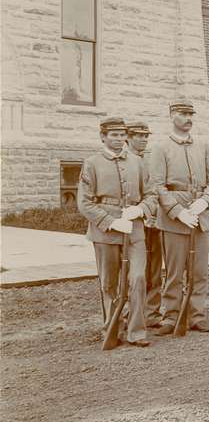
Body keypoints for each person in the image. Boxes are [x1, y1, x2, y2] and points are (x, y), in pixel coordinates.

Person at [78, 117, 157, 347]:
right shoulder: (92, 163)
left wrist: (140, 210)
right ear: (102, 137)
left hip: (135, 230)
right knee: (109, 283)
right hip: (105, 232)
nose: (119, 139)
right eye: (114, 135)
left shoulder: (138, 163)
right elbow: (84, 203)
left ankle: (137, 331)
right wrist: (110, 221)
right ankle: (112, 327)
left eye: (122, 135)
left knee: (139, 278)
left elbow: (152, 194)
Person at [148, 100, 209, 334]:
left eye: (191, 113)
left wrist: (203, 202)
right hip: (175, 218)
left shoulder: (204, 146)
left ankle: (196, 314)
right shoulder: (161, 148)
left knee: (199, 270)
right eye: (183, 113)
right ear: (172, 115)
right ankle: (171, 316)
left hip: (200, 215)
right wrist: (177, 211)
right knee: (174, 270)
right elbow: (157, 186)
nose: (188, 118)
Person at [126, 120, 164, 327]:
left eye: (146, 136)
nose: (143, 140)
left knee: (155, 270)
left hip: (153, 222)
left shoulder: (148, 161)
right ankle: (129, 313)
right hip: (132, 223)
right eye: (138, 136)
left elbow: (154, 190)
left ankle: (152, 312)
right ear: (128, 138)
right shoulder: (124, 161)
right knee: (133, 272)